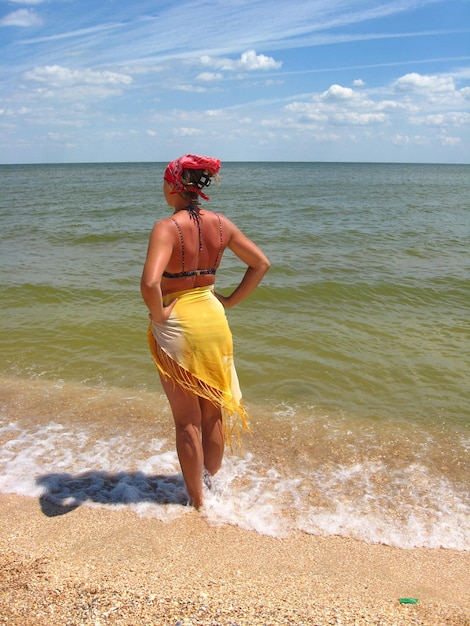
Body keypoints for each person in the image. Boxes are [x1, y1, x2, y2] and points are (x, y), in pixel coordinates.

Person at [141, 154, 270, 509]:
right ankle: (213, 488)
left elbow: (151, 283)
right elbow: (260, 264)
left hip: (180, 324)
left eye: (165, 182)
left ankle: (197, 502)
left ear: (173, 186)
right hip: (214, 318)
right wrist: (228, 301)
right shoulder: (221, 224)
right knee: (213, 414)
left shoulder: (166, 227)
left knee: (187, 422)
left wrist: (159, 313)